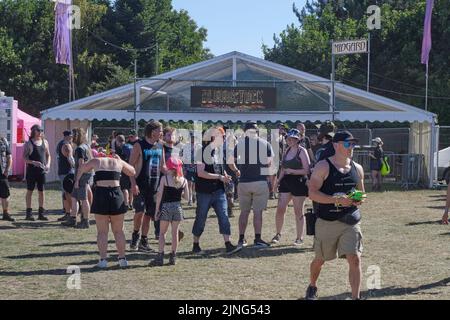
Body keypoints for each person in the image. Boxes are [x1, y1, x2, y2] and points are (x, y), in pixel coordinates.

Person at [305, 131, 365, 300]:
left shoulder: (357, 168)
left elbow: (361, 193)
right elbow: (312, 193)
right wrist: (336, 200)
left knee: (355, 259)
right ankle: (312, 286)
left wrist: (356, 199)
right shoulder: (323, 166)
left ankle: (355, 297)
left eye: (353, 144)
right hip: (327, 222)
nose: (351, 147)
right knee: (320, 260)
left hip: (350, 221)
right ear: (336, 145)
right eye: (348, 144)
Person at [75, 154, 136, 268]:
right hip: (116, 195)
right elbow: (132, 171)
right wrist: (121, 160)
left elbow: (82, 168)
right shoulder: (118, 162)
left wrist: (77, 180)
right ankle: (122, 259)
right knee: (119, 231)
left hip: (101, 194)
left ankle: (103, 260)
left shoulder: (96, 161)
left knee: (102, 232)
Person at [192, 127, 241, 255]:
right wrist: (220, 177)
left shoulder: (218, 152)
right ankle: (195, 244)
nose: (224, 139)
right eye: (222, 136)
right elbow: (201, 173)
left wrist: (225, 175)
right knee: (201, 218)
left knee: (224, 217)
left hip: (218, 191)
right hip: (204, 191)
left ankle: (228, 243)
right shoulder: (201, 152)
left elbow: (220, 168)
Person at [228, 122, 273, 248]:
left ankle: (241, 239)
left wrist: (237, 171)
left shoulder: (240, 145)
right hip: (260, 181)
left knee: (244, 212)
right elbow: (270, 163)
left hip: (244, 182)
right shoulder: (265, 144)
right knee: (258, 212)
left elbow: (230, 162)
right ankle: (257, 239)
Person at [129, 120, 166, 252]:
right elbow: (130, 166)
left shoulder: (160, 145)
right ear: (152, 131)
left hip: (154, 186)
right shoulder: (139, 145)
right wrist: (133, 184)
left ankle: (144, 241)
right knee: (139, 212)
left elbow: (162, 166)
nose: (161, 133)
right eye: (159, 130)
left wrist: (174, 175)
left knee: (149, 215)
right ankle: (135, 234)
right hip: (140, 184)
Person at [272, 129, 310, 246]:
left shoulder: (302, 151)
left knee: (298, 211)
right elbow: (283, 168)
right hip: (286, 182)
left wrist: (292, 171)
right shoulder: (286, 150)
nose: (289, 140)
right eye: (288, 138)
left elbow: (307, 170)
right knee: (280, 209)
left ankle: (299, 238)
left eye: (292, 138)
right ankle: (278, 234)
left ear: (297, 139)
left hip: (299, 182)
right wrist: (277, 181)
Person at [150, 157, 189, 266]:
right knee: (175, 233)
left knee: (162, 233)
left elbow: (159, 195)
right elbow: (187, 197)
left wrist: (157, 210)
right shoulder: (184, 180)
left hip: (166, 207)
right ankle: (173, 257)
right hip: (177, 207)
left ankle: (160, 256)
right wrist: (178, 192)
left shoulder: (164, 179)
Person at [62, 128, 93, 228]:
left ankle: (85, 221)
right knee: (74, 197)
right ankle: (73, 218)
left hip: (82, 176)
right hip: (85, 174)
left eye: (74, 135)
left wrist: (77, 180)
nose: (72, 137)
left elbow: (81, 165)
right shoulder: (86, 146)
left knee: (83, 199)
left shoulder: (80, 149)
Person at [23, 124, 51, 221]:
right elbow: (24, 158)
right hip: (31, 171)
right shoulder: (29, 143)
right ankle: (29, 213)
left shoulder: (45, 142)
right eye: (38, 130)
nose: (40, 132)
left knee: (42, 192)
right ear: (33, 131)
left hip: (41, 171)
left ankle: (41, 213)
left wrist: (48, 164)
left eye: (41, 130)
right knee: (30, 191)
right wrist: (33, 162)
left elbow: (48, 155)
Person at [56, 130, 75, 222]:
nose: (72, 138)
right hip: (67, 171)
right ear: (68, 136)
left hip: (62, 171)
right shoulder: (66, 145)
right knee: (68, 192)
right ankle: (70, 211)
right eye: (71, 136)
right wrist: (75, 167)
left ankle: (67, 210)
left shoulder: (60, 143)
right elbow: (70, 159)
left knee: (65, 192)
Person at [181, 131, 202, 206]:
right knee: (189, 183)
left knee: (195, 184)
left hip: (197, 167)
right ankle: (190, 199)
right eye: (191, 137)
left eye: (194, 137)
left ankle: (194, 195)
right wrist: (184, 167)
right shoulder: (186, 146)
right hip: (188, 166)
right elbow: (183, 157)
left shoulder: (199, 146)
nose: (193, 139)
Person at [114, 134, 133, 210]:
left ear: (118, 142)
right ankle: (131, 203)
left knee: (125, 188)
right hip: (132, 168)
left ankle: (126, 204)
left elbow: (124, 159)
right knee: (130, 187)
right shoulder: (130, 146)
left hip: (125, 169)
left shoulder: (123, 148)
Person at [0, 136, 13, 221]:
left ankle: (5, 214)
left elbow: (9, 157)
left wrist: (7, 170)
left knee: (5, 194)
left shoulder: (3, 141)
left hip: (2, 172)